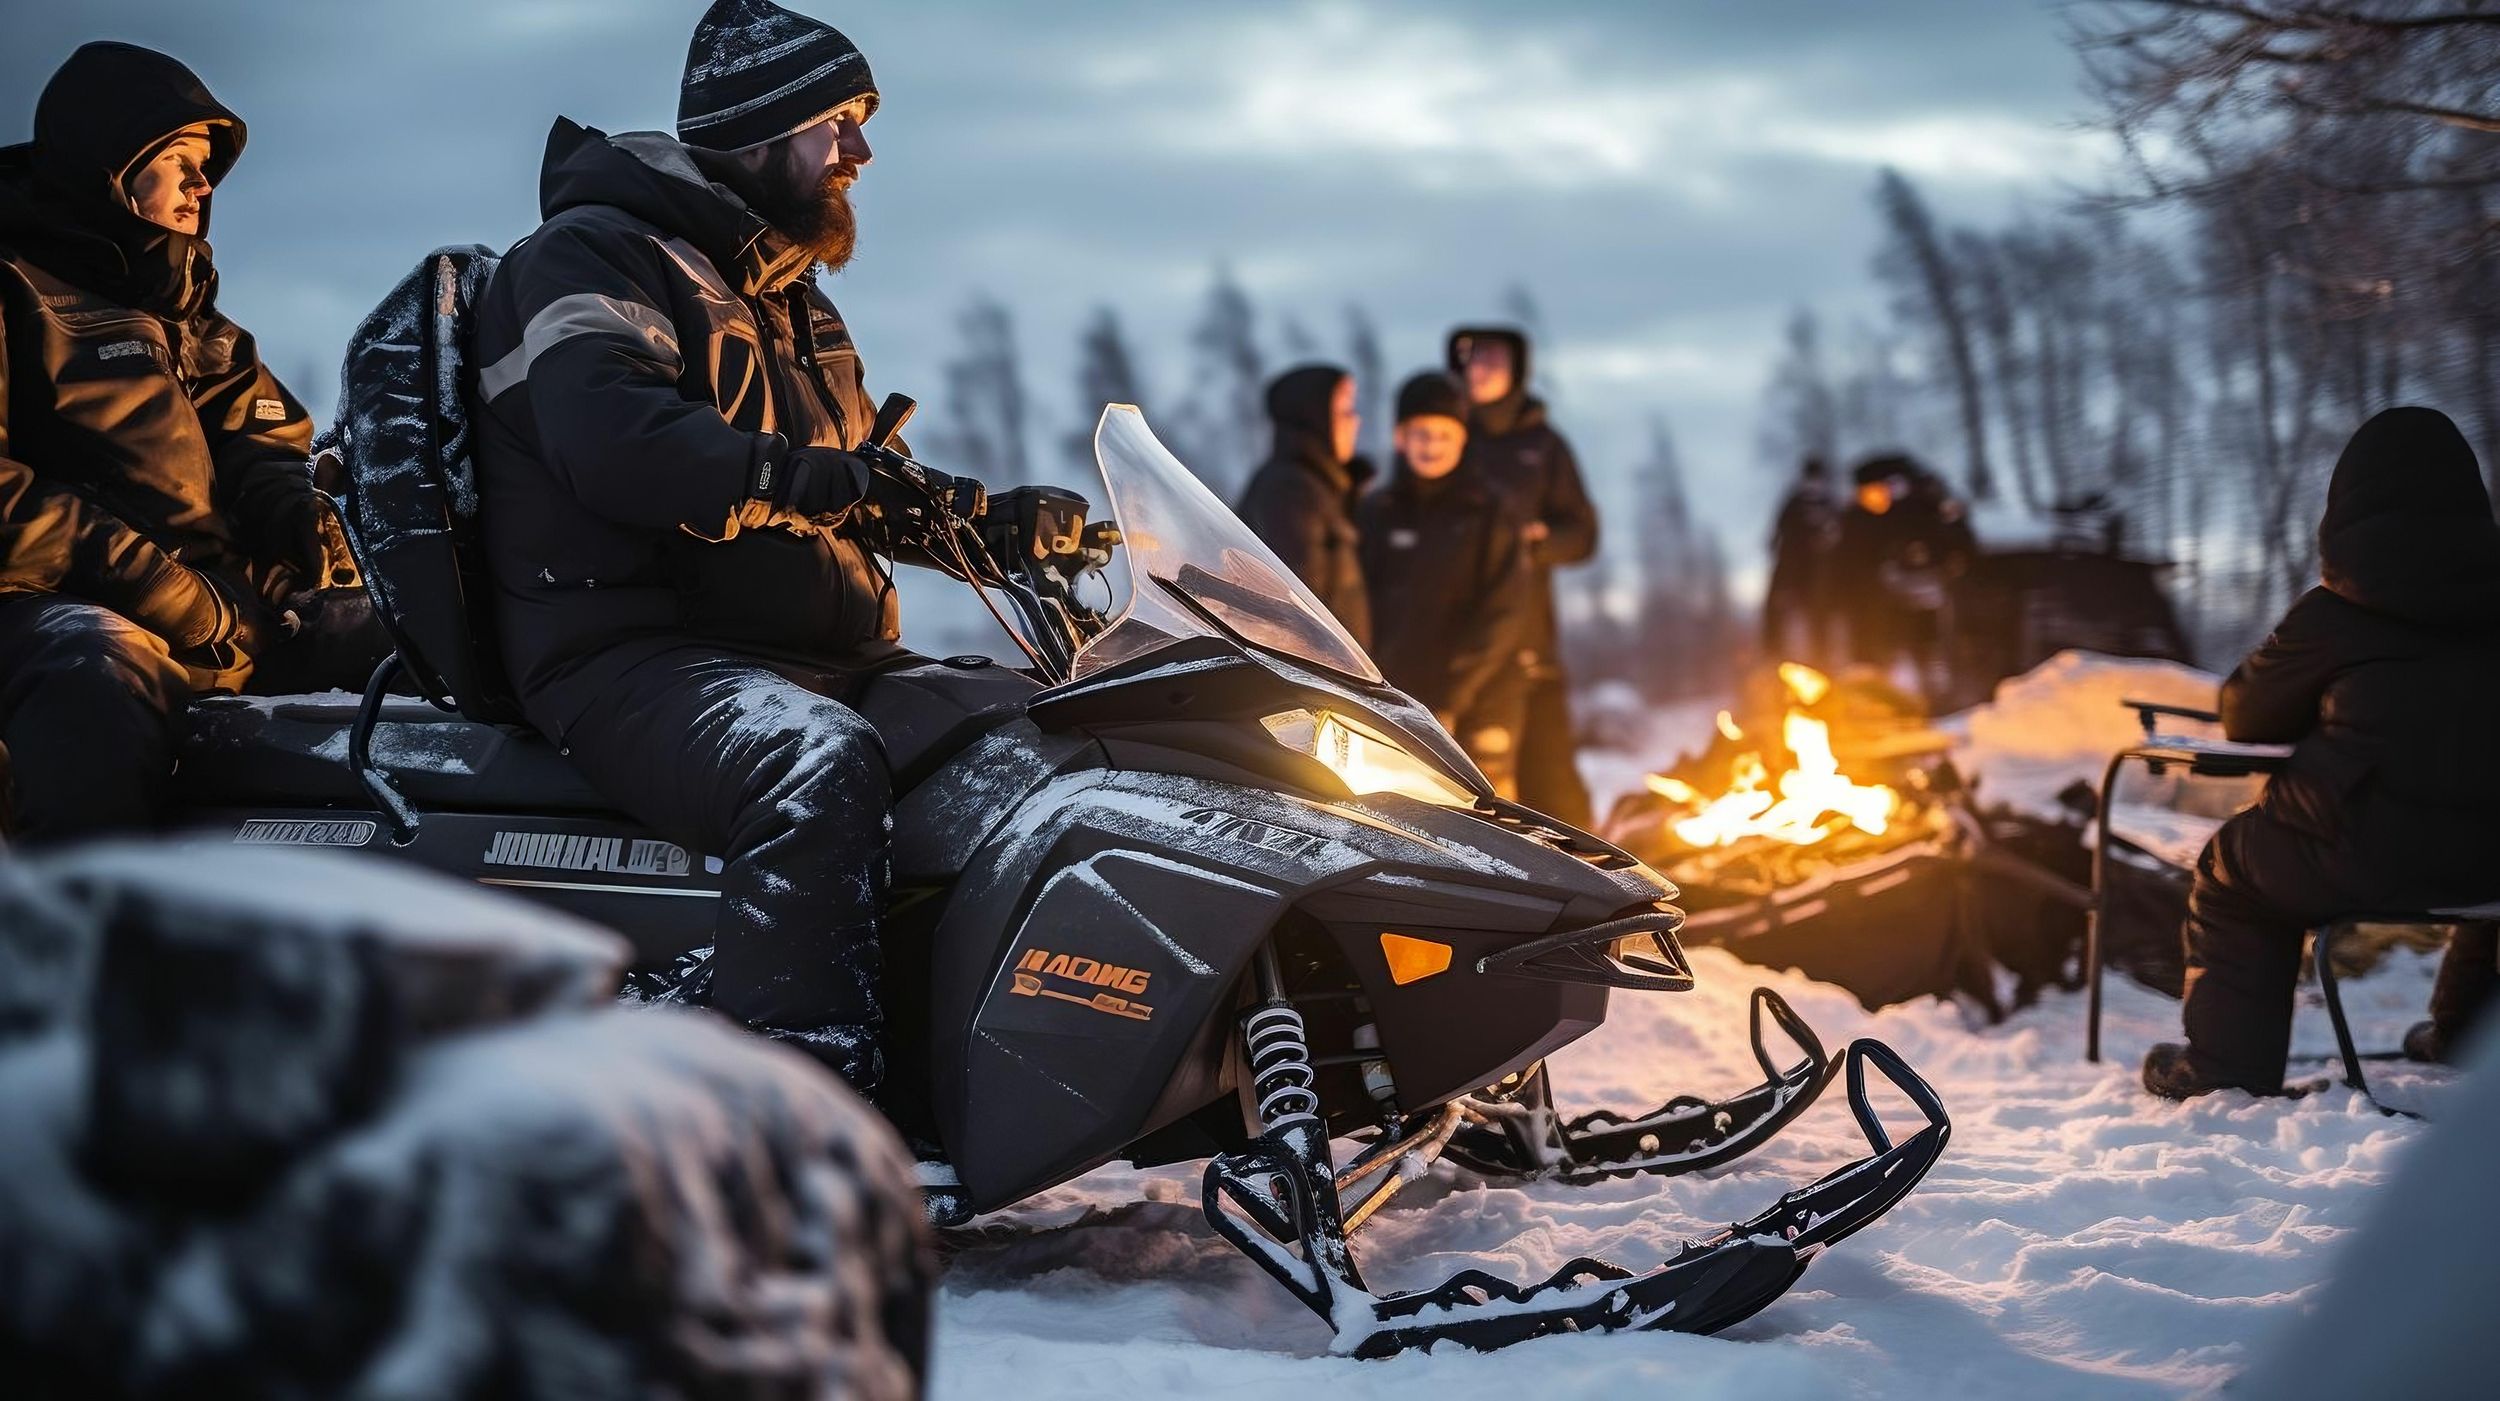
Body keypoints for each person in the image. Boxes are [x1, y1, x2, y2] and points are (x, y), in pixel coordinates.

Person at [469, 0, 984, 1096]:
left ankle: (984, 1071)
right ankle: (799, 1120)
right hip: (632, 652)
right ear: (756, 129)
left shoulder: (789, 296)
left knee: (1022, 733)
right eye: (836, 121)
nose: (859, 149)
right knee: (813, 763)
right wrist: (784, 478)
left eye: (860, 120)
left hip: (810, 649)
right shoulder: (589, 256)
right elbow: (615, 443)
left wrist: (980, 516)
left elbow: (846, 482)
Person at [0, 42, 371, 842]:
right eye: (179, 161)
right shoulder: (14, 286)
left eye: (208, 166)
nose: (204, 185)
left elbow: (262, 443)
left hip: (221, 605)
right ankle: (76, 946)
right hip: (53, 608)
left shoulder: (195, 313)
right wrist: (163, 590)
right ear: (110, 166)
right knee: (97, 669)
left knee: (414, 636)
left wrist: (298, 518)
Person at [2143, 406, 2500, 1099]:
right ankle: (2468, 1037)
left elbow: (2243, 714)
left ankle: (2226, 1072)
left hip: (2363, 854)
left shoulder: (2333, 615)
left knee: (2230, 874)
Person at [1446, 325, 1599, 827]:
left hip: (1530, 641)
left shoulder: (1543, 446)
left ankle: (1601, 889)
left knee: (1551, 780)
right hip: (1453, 644)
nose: (1481, 370)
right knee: (1469, 787)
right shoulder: (1446, 438)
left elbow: (1582, 533)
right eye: (1472, 359)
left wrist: (1538, 542)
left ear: (1516, 370)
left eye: (1493, 360)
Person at [1358, 372, 1533, 795]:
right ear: (1401, 437)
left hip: (1482, 701)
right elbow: (1357, 605)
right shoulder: (1377, 510)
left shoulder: (1492, 512)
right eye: (1421, 433)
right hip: (1398, 700)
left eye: (1444, 434)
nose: (1432, 445)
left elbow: (1504, 614)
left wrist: (1452, 698)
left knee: (1491, 823)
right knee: (1401, 814)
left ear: (1462, 439)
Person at [1235, 363, 1370, 647]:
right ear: (1316, 419)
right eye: (1344, 411)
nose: (1355, 422)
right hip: (1316, 678)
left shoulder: (1321, 488)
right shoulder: (1289, 491)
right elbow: (1298, 607)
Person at [1833, 452, 1973, 703]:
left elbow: (1960, 544)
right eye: (1866, 495)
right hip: (1880, 606)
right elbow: (1845, 564)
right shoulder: (1856, 519)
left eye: (1875, 493)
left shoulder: (1929, 505)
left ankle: (1939, 695)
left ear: (1895, 487)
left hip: (1930, 597)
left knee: (1929, 650)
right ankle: (1876, 696)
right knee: (1877, 651)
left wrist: (1947, 567)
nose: (1871, 501)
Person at [1762, 456, 1842, 664]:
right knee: (1784, 621)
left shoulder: (1830, 506)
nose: (1814, 485)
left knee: (1820, 623)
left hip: (1821, 580)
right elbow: (1778, 539)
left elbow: (1841, 540)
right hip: (1792, 576)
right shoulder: (1793, 504)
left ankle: (1822, 663)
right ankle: (1777, 660)